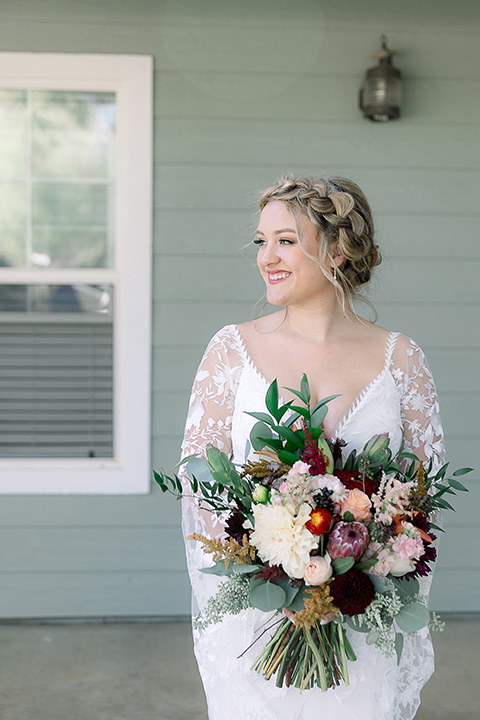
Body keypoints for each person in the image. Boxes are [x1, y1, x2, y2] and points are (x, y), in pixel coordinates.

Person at [180, 175, 445, 720]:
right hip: (258, 619)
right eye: (261, 240)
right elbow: (198, 486)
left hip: (361, 618)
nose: (266, 257)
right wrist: (271, 563)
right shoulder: (231, 350)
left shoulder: (402, 360)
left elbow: (421, 499)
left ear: (338, 248)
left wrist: (362, 565)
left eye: (285, 240)